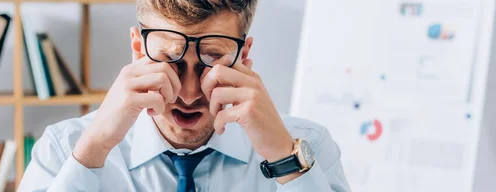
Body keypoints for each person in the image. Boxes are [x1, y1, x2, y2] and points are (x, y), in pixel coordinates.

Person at [18, 0, 350, 191]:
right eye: (169, 61)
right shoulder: (64, 150)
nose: (189, 94)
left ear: (244, 55)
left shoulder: (309, 147)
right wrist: (94, 150)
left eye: (212, 60)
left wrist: (284, 160)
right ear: (138, 49)